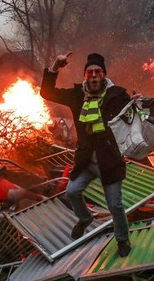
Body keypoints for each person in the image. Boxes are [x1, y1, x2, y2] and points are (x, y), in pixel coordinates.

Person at [40, 52, 132, 257]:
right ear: (85, 75)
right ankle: (85, 218)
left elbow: (132, 112)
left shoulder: (116, 95)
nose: (93, 75)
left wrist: (136, 102)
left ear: (103, 75)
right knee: (72, 191)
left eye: (97, 71)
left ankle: (123, 239)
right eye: (90, 72)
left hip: (109, 161)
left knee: (115, 205)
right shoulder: (77, 95)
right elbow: (47, 92)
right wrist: (54, 67)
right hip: (86, 161)